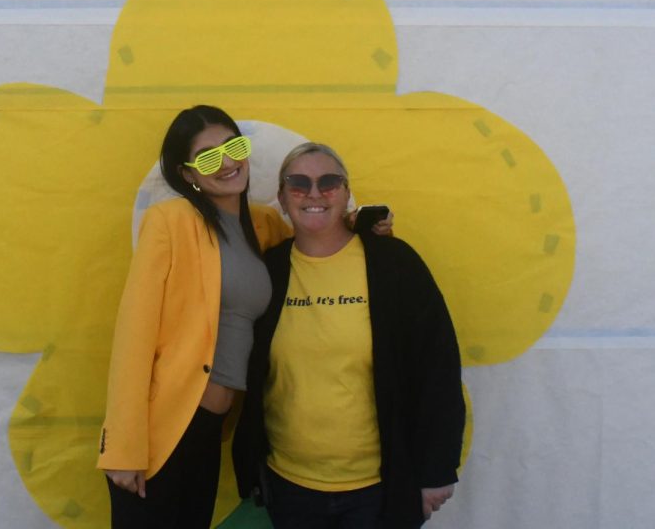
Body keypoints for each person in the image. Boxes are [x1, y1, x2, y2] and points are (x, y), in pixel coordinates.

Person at [233, 142, 465, 529]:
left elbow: (436, 368)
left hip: (379, 487)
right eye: (298, 183)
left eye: (329, 182)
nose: (314, 193)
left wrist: (436, 469)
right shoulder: (268, 272)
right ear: (281, 198)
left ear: (346, 193)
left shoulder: (393, 263)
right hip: (290, 486)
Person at [97, 105, 291, 528]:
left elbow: (320, 237)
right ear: (188, 174)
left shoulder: (263, 225)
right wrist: (124, 448)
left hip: (210, 433)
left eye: (233, 146)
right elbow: (135, 334)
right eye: (207, 157)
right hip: (163, 431)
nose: (226, 162)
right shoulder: (170, 221)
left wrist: (363, 223)